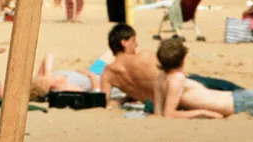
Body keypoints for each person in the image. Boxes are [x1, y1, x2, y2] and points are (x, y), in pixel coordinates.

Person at [98, 23, 242, 106]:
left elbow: (104, 102)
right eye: (134, 41)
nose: (137, 45)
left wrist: (127, 97)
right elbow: (173, 72)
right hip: (180, 90)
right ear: (124, 42)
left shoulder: (107, 73)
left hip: (158, 104)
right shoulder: (145, 56)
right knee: (224, 87)